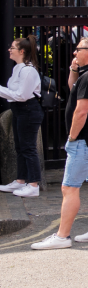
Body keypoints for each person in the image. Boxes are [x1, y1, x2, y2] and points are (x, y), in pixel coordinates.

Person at [31, 36, 88, 250]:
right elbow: (72, 89)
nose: (75, 52)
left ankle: (62, 236)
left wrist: (72, 138)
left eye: (79, 49)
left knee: (69, 188)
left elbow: (81, 110)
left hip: (85, 142)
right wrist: (73, 70)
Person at [0, 36, 43, 198]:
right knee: (20, 147)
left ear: (21, 51)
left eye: (12, 48)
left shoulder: (27, 70)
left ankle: (33, 184)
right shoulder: (18, 68)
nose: (9, 50)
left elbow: (22, 95)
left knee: (28, 148)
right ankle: (20, 181)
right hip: (20, 109)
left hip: (28, 109)